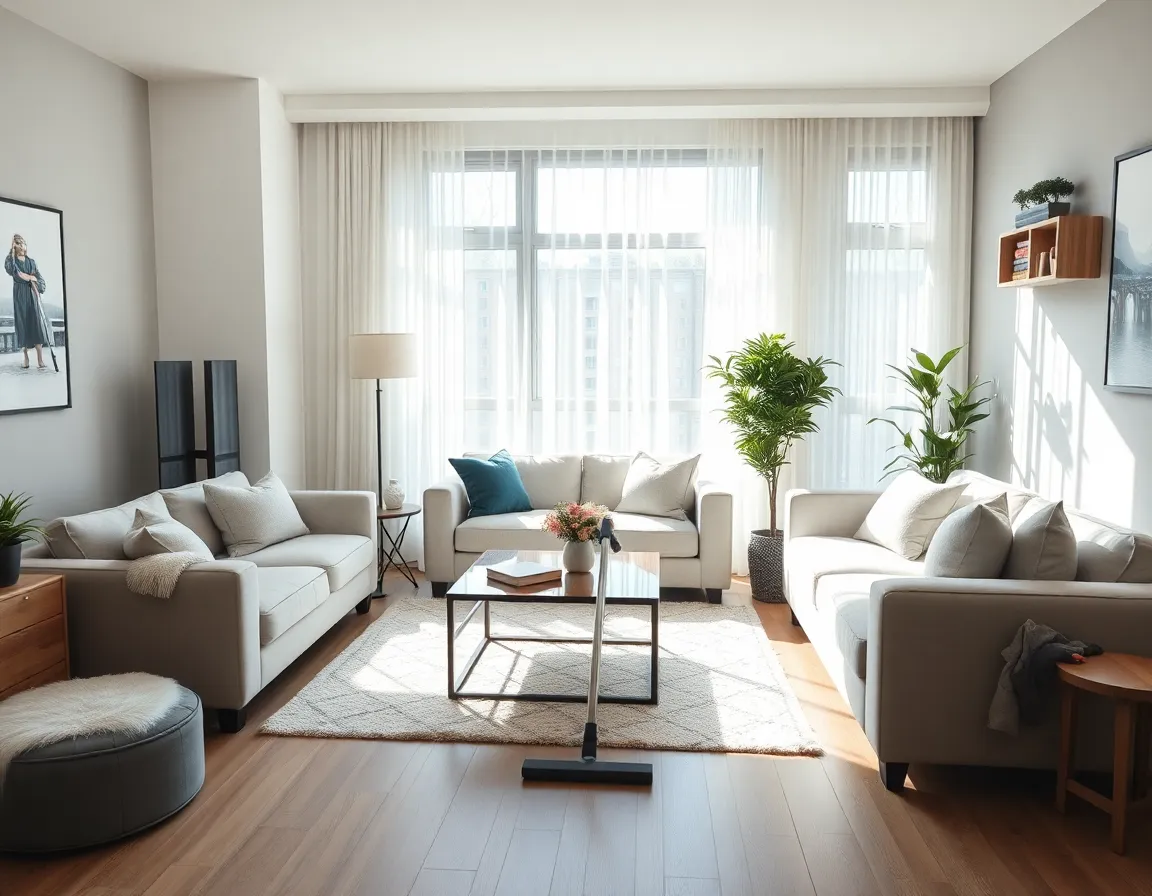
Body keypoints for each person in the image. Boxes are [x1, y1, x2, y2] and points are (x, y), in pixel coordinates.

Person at [4, 233, 49, 369]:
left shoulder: (31, 262)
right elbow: (12, 271)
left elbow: (39, 278)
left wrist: (32, 279)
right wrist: (11, 251)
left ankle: (40, 359)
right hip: (19, 296)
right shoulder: (12, 261)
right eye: (17, 243)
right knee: (22, 324)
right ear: (14, 246)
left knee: (35, 324)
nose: (21, 244)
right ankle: (26, 358)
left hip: (32, 295)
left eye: (22, 242)